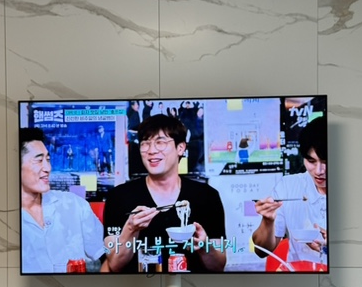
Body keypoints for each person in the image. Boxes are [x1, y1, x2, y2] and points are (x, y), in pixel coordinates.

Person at [102, 114, 227, 273]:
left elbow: (218, 265)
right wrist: (131, 229)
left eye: (160, 142)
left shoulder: (207, 196)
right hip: (137, 286)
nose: (151, 150)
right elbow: (114, 264)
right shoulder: (119, 197)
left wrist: (204, 246)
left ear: (180, 148)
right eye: (145, 143)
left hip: (192, 286)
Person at [20, 127, 106, 273]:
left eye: (48, 159)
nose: (48, 168)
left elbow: (106, 253)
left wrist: (120, 240)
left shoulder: (74, 205)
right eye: (39, 160)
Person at [251, 117, 328, 268]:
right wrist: (267, 221)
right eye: (311, 161)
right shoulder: (288, 187)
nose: (319, 171)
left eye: (326, 162)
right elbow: (261, 251)